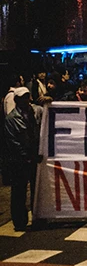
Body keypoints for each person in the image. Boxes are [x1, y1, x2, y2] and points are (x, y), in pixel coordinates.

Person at [5, 88, 40, 231]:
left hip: (35, 157)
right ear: (16, 100)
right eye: (21, 98)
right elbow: (12, 141)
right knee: (19, 191)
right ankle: (19, 221)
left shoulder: (36, 112)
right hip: (20, 161)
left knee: (37, 189)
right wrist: (25, 156)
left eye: (27, 97)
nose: (25, 100)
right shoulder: (11, 119)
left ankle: (38, 216)